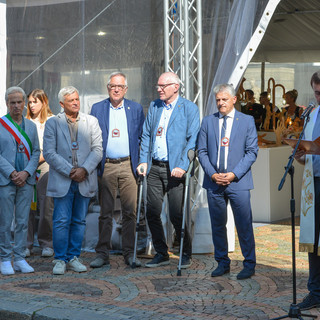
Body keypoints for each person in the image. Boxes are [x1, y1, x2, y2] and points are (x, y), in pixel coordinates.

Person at [137, 71, 200, 268]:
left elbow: (193, 139)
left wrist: (183, 165)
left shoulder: (189, 108)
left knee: (176, 214)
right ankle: (161, 252)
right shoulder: (155, 106)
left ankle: (184, 252)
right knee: (152, 212)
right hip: (154, 166)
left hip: (175, 169)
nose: (159, 89)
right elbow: (146, 133)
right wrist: (143, 160)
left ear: (176, 87)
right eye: (158, 85)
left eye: (163, 86)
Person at [197, 83, 258, 280]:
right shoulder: (208, 122)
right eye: (217, 100)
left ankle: (249, 264)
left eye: (224, 99)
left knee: (244, 224)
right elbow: (202, 151)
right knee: (218, 224)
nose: (220, 103)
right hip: (214, 182)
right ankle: (222, 262)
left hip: (238, 182)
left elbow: (251, 152)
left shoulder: (247, 121)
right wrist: (213, 174)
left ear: (234, 99)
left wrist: (234, 174)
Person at [43, 86, 102, 275]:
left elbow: (98, 149)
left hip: (84, 179)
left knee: (79, 221)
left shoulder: (91, 121)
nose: (76, 102)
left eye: (77, 99)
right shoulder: (53, 123)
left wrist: (84, 170)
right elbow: (49, 153)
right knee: (60, 220)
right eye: (71, 100)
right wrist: (70, 171)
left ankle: (73, 257)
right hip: (63, 180)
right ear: (62, 104)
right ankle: (60, 259)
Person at [90, 72, 145, 268]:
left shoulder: (135, 109)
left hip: (129, 165)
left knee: (130, 212)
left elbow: (142, 138)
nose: (116, 89)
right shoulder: (97, 109)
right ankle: (102, 254)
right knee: (105, 212)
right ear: (107, 87)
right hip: (107, 166)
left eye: (120, 87)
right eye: (113, 86)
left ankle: (129, 254)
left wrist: (142, 161)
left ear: (126, 89)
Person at [0, 86, 40, 275]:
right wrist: (12, 173)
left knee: (24, 221)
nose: (16, 105)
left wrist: (26, 172)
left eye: (19, 102)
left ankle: (20, 258)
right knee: (5, 221)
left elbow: (36, 152)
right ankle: (6, 259)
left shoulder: (31, 127)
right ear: (7, 104)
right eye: (12, 102)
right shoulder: (1, 124)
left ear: (24, 103)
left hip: (26, 180)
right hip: (6, 180)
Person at [295, 71, 320, 310]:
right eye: (316, 92)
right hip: (314, 181)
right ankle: (315, 291)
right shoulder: (312, 114)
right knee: (313, 239)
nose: (319, 97)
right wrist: (302, 155)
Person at [26, 89, 54, 258]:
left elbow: (51, 147)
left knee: (45, 207)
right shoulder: (25, 121)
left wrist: (36, 161)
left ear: (43, 102)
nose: (31, 105)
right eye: (29, 102)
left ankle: (46, 243)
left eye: (35, 102)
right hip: (26, 168)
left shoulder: (51, 121)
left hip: (44, 166)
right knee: (27, 207)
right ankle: (26, 244)